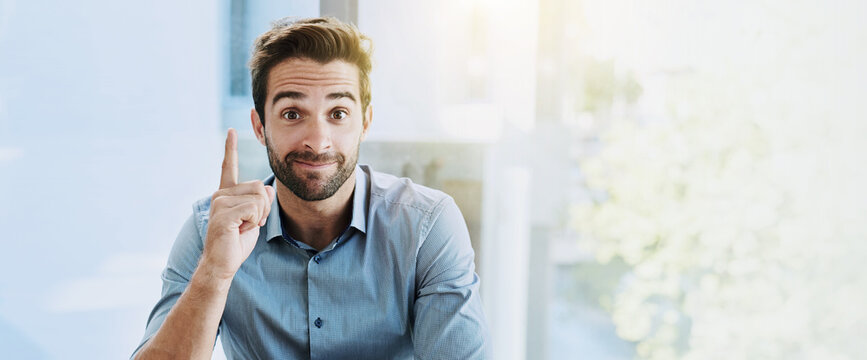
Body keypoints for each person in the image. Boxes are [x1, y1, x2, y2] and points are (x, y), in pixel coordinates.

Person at [131, 17, 488, 359]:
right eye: (292, 114)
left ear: (365, 123)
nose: (318, 142)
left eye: (338, 114)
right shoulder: (210, 230)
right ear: (260, 127)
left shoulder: (427, 226)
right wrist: (214, 273)